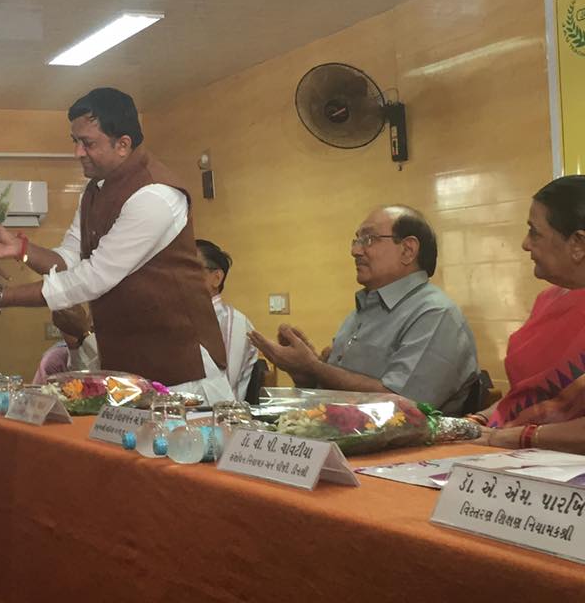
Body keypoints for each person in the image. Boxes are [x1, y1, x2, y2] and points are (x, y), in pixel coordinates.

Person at [0, 87, 232, 403]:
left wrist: (1, 296)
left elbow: (95, 277)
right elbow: (71, 259)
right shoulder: (95, 190)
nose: (77, 152)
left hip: (184, 371)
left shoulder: (155, 195)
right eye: (75, 141)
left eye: (88, 143)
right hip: (129, 369)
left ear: (123, 144)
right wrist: (22, 250)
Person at [250, 205, 479, 415]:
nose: (355, 251)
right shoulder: (361, 312)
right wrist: (305, 374)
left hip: (407, 447)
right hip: (338, 438)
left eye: (368, 239)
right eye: (356, 240)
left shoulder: (435, 314)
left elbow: (404, 408)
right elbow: (335, 397)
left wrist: (314, 367)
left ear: (408, 250)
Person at [467, 176, 585, 454]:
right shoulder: (550, 300)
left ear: (578, 243)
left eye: (534, 232)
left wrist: (512, 438)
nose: (525, 244)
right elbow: (525, 396)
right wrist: (477, 422)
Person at [196, 239, 260, 401]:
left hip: (220, 414)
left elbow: (220, 392)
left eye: (191, 269)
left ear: (217, 278)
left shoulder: (236, 324)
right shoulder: (176, 318)